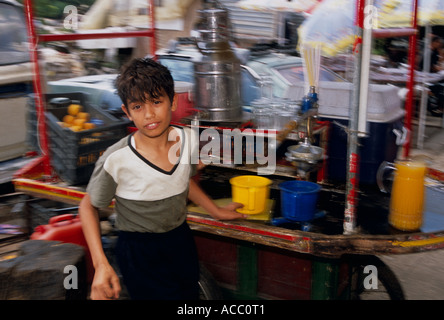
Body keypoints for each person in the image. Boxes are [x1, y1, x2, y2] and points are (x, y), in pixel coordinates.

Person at [79, 57, 246, 300]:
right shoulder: (117, 158)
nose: (149, 114)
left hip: (180, 240)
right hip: (139, 251)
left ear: (173, 101)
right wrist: (101, 264)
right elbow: (88, 206)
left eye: (156, 102)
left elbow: (182, 181)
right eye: (138, 107)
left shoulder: (187, 138)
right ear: (127, 112)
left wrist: (215, 211)